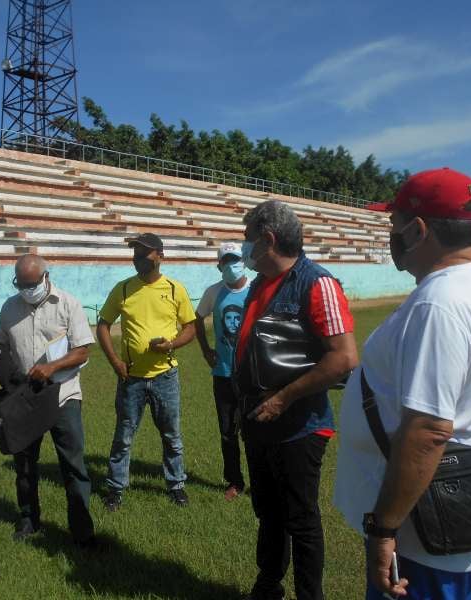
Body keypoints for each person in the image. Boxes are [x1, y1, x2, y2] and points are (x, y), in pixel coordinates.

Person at [334, 168, 471, 600]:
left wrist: (383, 529)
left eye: (394, 225)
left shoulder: (440, 304)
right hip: (448, 513)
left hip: (422, 533)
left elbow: (429, 429)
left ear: (418, 230)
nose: (391, 235)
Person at [235, 200, 358, 600]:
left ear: (267, 239)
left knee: (300, 519)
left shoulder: (316, 283)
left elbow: (343, 358)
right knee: (268, 514)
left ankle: (310, 595)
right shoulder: (259, 282)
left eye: (247, 236)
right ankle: (268, 585)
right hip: (258, 419)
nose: (244, 245)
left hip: (297, 426)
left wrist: (284, 398)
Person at [0, 254, 96, 546]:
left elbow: (83, 350)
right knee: (24, 466)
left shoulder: (68, 304)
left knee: (72, 465)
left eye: (31, 284)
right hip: (25, 398)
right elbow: (0, 343)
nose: (26, 289)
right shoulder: (10, 307)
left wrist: (52, 367)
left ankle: (81, 529)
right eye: (20, 284)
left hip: (63, 396)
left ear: (46, 277)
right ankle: (28, 521)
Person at [97, 233, 197, 511]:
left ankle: (176, 485)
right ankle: (116, 489)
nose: (138, 259)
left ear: (160, 256)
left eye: (145, 254)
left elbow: (190, 327)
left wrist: (171, 344)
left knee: (171, 435)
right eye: (136, 254)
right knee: (124, 437)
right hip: (131, 378)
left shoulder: (175, 289)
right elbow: (103, 324)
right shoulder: (124, 289)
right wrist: (115, 361)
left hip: (165, 375)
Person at [194, 242, 250, 501]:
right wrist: (206, 349)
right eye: (226, 261)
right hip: (224, 373)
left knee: (256, 432)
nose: (231, 266)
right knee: (228, 432)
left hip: (253, 375)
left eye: (235, 259)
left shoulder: (256, 289)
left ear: (244, 260)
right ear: (219, 266)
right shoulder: (213, 292)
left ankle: (262, 481)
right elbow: (198, 317)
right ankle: (235, 481)